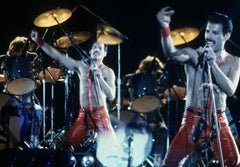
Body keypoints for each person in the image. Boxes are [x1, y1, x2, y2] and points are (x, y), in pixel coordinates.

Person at [156, 6, 240, 167]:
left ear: (226, 36)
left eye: (215, 33)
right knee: (170, 164)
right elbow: (170, 54)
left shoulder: (234, 62)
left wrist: (213, 65)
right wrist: (165, 28)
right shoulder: (194, 55)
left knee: (234, 162)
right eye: (208, 31)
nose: (209, 36)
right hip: (192, 119)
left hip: (218, 120)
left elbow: (230, 89)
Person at [30, 30, 118, 153]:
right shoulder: (81, 67)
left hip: (100, 114)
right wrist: (40, 41)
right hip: (84, 115)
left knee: (113, 151)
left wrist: (99, 79)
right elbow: (58, 56)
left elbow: (111, 96)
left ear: (105, 53)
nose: (96, 50)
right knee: (68, 148)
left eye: (100, 48)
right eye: (94, 48)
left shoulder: (108, 72)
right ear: (89, 52)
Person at [121, 55, 167, 162]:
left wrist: (161, 102)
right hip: (134, 114)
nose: (155, 74)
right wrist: (134, 103)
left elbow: (160, 100)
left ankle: (157, 160)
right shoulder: (131, 78)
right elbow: (119, 99)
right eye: (155, 71)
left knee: (163, 130)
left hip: (153, 116)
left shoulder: (156, 82)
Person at [1, 36, 43, 148]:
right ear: (19, 48)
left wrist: (36, 83)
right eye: (24, 48)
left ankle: (34, 144)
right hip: (10, 100)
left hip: (28, 99)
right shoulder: (6, 60)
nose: (26, 51)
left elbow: (38, 80)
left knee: (38, 111)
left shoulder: (28, 61)